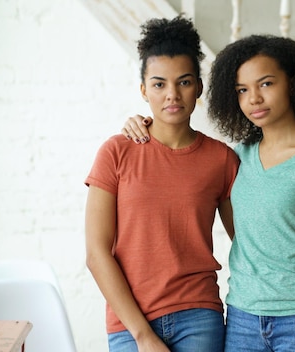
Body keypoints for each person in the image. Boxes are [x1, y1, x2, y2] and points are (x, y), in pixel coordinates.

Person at [123, 34, 295, 351]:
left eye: (266, 84)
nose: (254, 98)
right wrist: (142, 122)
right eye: (242, 90)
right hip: (242, 319)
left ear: (293, 84)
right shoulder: (237, 157)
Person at [84, 15, 239, 352]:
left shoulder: (221, 159)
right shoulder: (117, 152)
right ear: (143, 90)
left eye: (184, 82)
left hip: (199, 317)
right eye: (159, 84)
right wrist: (143, 336)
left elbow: (247, 240)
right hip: (129, 322)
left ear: (198, 86)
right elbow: (97, 254)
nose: (172, 95)